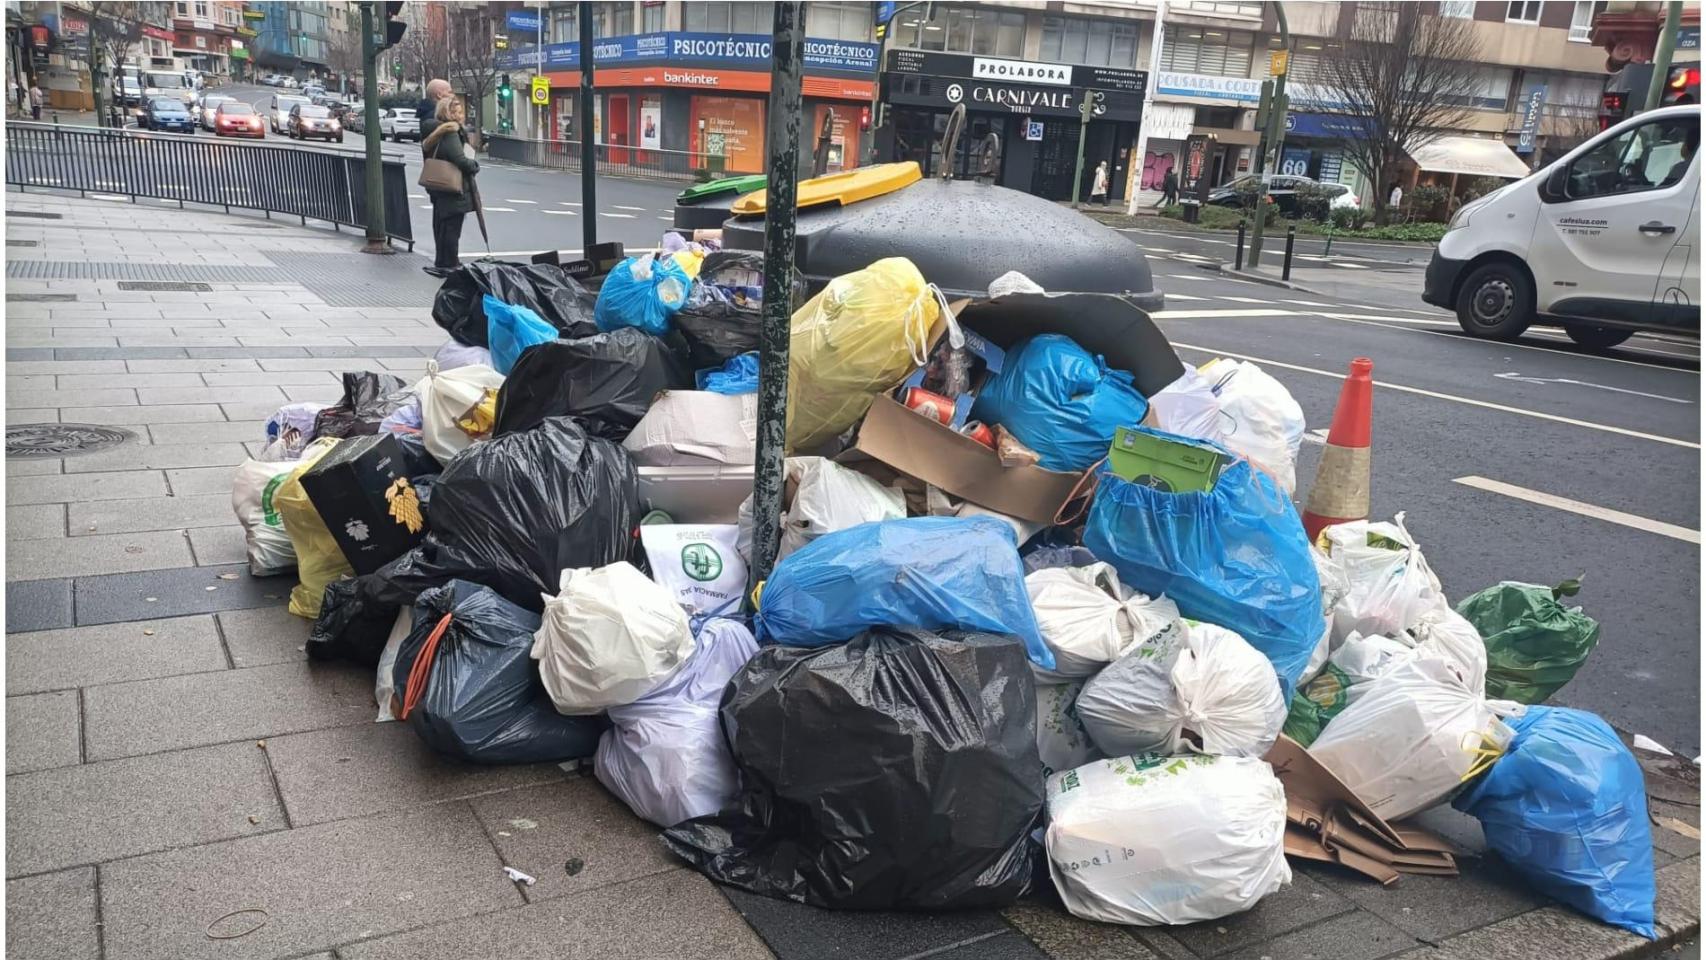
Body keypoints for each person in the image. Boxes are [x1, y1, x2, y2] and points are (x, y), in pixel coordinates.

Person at [422, 97, 479, 278]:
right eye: (458, 112)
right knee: (452, 228)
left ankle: (443, 261)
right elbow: (459, 159)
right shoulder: (450, 132)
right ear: (449, 113)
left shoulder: (437, 130)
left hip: (440, 188)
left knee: (444, 226)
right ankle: (450, 263)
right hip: (452, 188)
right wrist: (474, 165)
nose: (461, 116)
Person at [416, 77, 452, 143]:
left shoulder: (425, 114)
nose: (452, 95)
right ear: (439, 95)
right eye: (449, 92)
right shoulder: (437, 116)